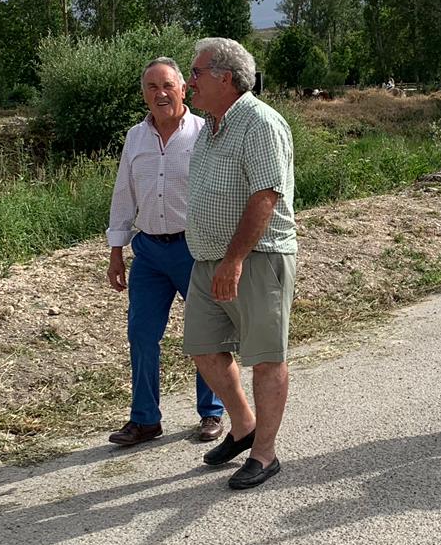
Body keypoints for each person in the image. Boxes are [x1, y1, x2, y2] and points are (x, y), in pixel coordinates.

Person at [184, 37, 297, 489]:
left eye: (195, 73)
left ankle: (265, 454)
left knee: (266, 357)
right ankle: (244, 426)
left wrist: (234, 260)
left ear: (224, 77)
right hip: (208, 258)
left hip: (256, 257)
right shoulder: (212, 127)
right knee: (202, 346)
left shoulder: (259, 123)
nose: (190, 82)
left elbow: (265, 195)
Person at [105, 58, 224, 447]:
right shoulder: (135, 138)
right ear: (144, 93)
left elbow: (223, 193)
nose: (160, 93)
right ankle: (145, 420)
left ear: (183, 89)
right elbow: (124, 194)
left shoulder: (206, 133)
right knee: (140, 333)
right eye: (152, 87)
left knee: (206, 333)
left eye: (168, 85)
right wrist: (116, 251)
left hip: (196, 249)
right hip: (150, 253)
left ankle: (212, 413)